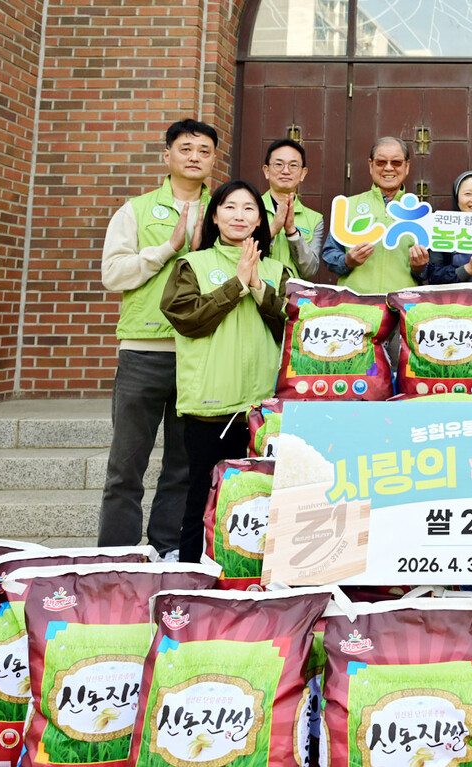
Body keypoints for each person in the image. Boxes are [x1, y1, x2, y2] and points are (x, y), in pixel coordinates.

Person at [98, 118, 217, 560]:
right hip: (143, 352)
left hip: (198, 352)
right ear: (167, 155)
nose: (194, 157)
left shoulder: (222, 209)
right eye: (185, 148)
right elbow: (113, 274)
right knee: (125, 465)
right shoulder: (137, 210)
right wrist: (167, 248)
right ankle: (116, 555)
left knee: (182, 465)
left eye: (204, 151)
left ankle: (167, 547)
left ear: (213, 160)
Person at [160, 180, 291, 563]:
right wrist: (237, 284)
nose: (239, 215)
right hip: (211, 407)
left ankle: (259, 577)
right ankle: (190, 577)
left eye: (249, 208)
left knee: (266, 500)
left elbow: (292, 329)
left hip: (265, 412)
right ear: (214, 216)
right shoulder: (192, 264)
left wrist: (259, 286)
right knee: (201, 498)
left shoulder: (278, 270)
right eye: (230, 207)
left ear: (260, 220)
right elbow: (187, 319)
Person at [320, 136, 428, 292]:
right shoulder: (348, 205)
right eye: (381, 162)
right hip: (354, 301)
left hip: (402, 302)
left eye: (396, 162)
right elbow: (329, 254)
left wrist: (420, 268)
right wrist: (347, 261)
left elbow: (432, 268)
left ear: (407, 166)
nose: (388, 168)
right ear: (371, 165)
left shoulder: (422, 213)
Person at [261, 138, 323, 280]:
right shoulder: (249, 209)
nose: (285, 171)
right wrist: (273, 230)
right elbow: (238, 254)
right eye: (278, 164)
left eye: (293, 165)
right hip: (256, 290)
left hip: (294, 293)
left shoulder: (315, 219)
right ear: (266, 171)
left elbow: (310, 270)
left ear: (303, 173)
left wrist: (292, 232)